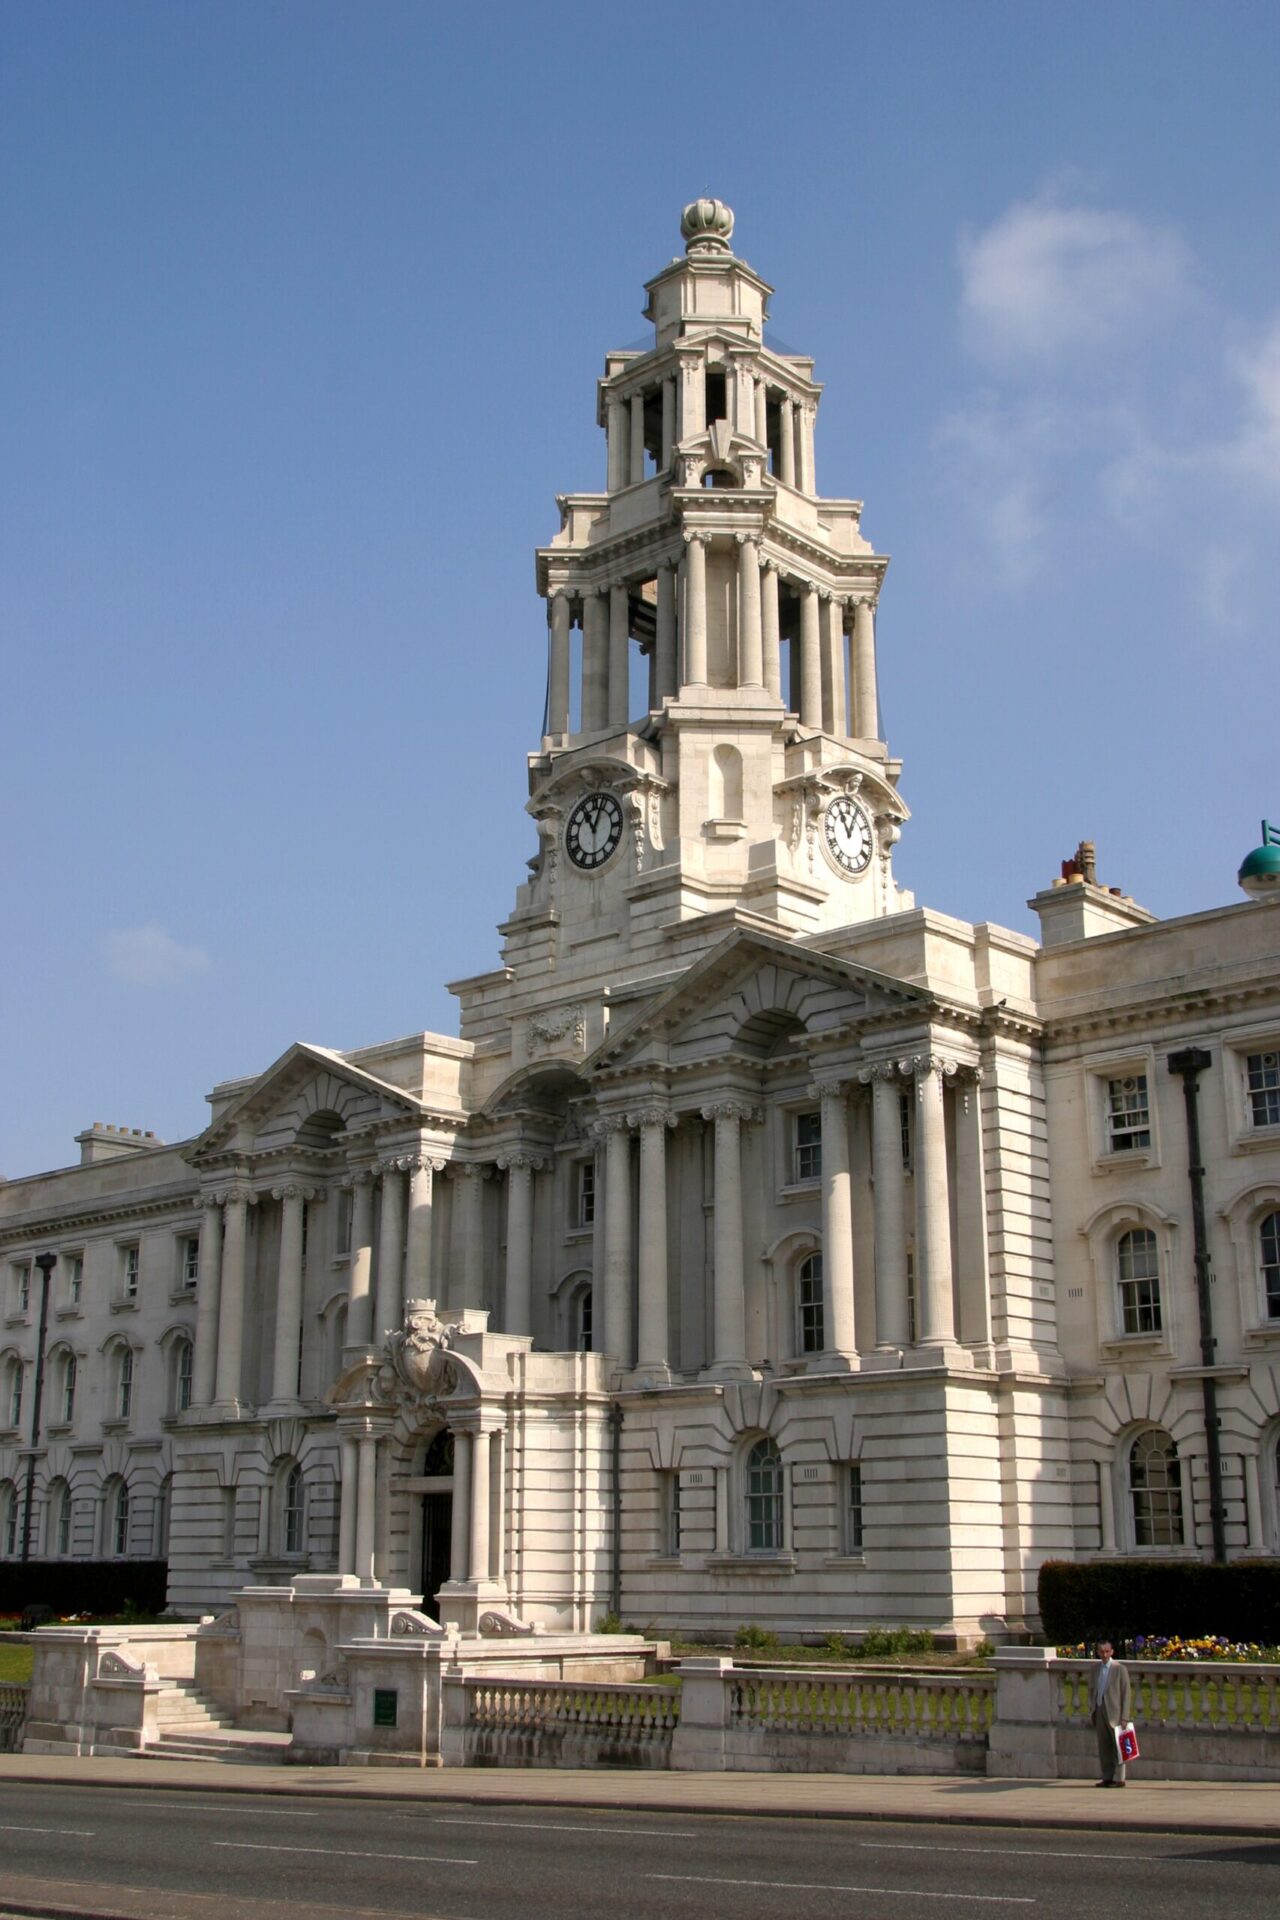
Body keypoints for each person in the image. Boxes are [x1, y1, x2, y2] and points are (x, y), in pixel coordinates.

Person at [1090, 1638, 1133, 1787]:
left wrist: (1125, 1716)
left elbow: (1126, 1694)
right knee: (1104, 1746)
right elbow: (1092, 1689)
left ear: (1112, 1652)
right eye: (1101, 1652)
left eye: (1107, 1651)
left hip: (1115, 1712)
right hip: (1100, 1708)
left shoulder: (1119, 1668)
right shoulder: (1095, 1669)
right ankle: (1107, 1776)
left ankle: (1119, 1778)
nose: (1104, 1654)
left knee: (1118, 1747)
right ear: (1098, 1652)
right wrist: (1093, 1708)